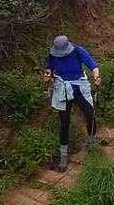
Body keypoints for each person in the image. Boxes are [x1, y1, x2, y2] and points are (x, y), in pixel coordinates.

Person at [44, 35, 102, 171]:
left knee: (90, 115)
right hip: (63, 89)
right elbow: (49, 70)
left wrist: (96, 77)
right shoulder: (53, 55)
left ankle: (93, 143)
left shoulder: (77, 50)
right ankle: (63, 156)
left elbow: (93, 66)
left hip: (79, 87)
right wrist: (47, 76)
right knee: (64, 124)